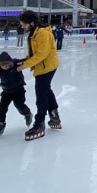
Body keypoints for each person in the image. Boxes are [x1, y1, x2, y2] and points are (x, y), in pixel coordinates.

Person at [17, 10, 62, 140]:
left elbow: (42, 54)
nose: (22, 27)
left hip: (46, 66)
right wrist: (23, 61)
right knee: (46, 90)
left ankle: (39, 123)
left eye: (24, 25)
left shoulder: (42, 33)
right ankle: (54, 116)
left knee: (41, 94)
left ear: (32, 23)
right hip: (42, 66)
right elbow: (34, 53)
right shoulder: (33, 33)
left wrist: (25, 66)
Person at [0, 51, 33, 138]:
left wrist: (33, 56)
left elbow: (27, 60)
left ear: (10, 63)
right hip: (6, 91)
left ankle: (27, 114)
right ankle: (1, 124)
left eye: (6, 65)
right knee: (2, 107)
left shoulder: (16, 63)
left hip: (18, 90)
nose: (4, 67)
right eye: (2, 65)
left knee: (19, 105)